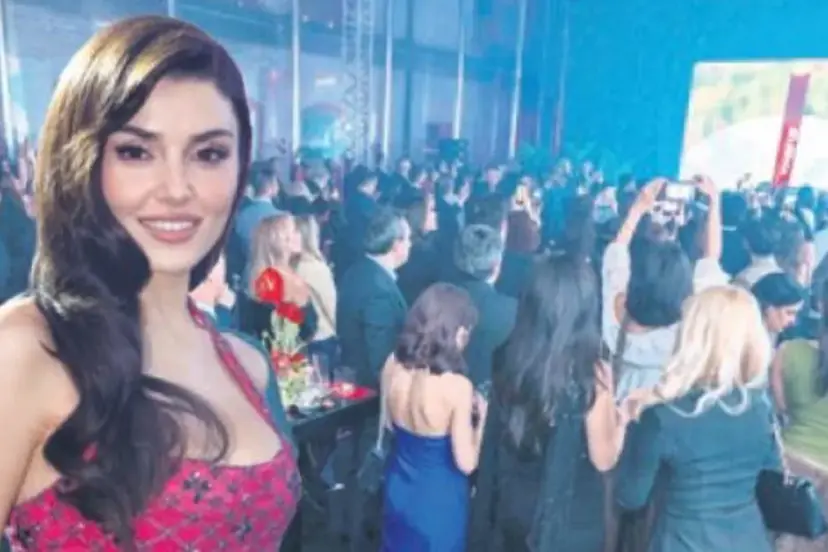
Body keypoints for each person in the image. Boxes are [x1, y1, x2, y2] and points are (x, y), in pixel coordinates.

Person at [0, 17, 299, 550]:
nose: (177, 189)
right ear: (82, 160)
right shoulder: (26, 348)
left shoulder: (246, 363)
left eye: (209, 154)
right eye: (136, 152)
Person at [470, 256, 628, 552]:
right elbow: (604, 458)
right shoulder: (591, 375)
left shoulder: (509, 357)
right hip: (566, 522)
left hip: (513, 508)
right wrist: (622, 421)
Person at [616, 286, 779, 552]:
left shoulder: (663, 417)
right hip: (750, 539)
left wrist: (628, 426)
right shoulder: (761, 408)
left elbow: (630, 497)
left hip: (683, 541)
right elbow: (770, 472)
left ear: (691, 337)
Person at [381, 283, 483, 552]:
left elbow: (388, 424)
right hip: (439, 498)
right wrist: (482, 420)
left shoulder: (393, 364)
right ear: (457, 332)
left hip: (398, 486)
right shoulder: (457, 387)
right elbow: (467, 463)